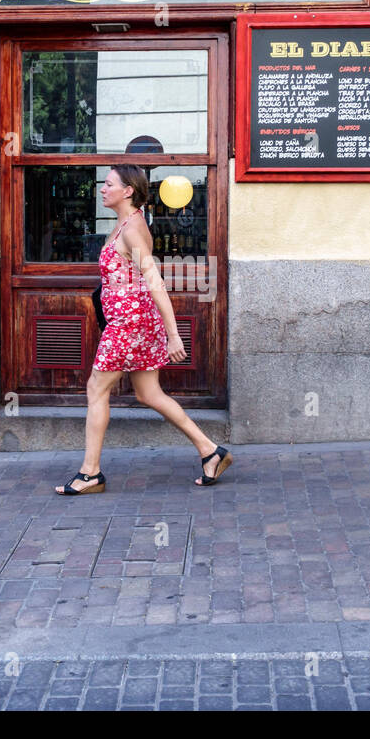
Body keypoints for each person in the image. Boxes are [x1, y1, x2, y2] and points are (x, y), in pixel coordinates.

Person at [56, 164, 232, 494]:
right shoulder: (126, 223)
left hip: (129, 324)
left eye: (108, 184)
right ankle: (211, 451)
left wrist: (174, 333)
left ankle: (90, 473)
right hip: (133, 320)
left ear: (128, 191)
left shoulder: (132, 229)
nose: (102, 189)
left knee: (96, 389)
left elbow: (154, 280)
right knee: (148, 393)